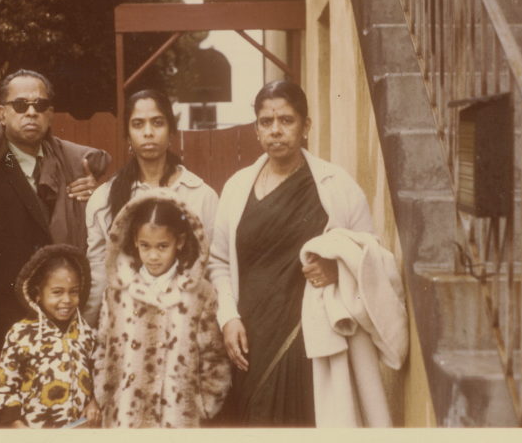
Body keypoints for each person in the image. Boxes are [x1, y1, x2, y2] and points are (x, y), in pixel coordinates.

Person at [207, 80, 408, 427]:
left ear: (305, 126)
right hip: (250, 335)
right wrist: (228, 318)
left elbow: (372, 253)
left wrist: (339, 268)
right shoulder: (237, 187)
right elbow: (219, 261)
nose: (276, 131)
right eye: (266, 122)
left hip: (310, 337)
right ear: (256, 128)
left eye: (286, 120)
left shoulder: (337, 185)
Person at [0, 69, 110, 425]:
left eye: (40, 105)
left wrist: (95, 198)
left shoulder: (72, 170)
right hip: (6, 341)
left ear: (51, 114)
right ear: (1, 113)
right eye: (20, 104)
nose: (31, 112)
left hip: (66, 336)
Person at [93, 189, 231, 427]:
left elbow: (213, 356)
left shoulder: (199, 294)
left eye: (162, 246)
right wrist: (103, 394)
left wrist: (204, 405)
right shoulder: (117, 292)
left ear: (180, 242)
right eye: (145, 246)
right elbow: (102, 348)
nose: (153, 256)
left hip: (177, 420)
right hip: (124, 418)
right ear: (134, 240)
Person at [85, 89, 217, 327]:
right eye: (138, 124)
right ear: (127, 134)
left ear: (171, 131)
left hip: (185, 330)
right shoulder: (104, 200)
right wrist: (87, 330)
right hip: (127, 333)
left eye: (157, 123)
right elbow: (99, 275)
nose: (148, 132)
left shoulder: (200, 195)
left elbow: (212, 269)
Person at [0, 244, 101, 428]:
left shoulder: (86, 333)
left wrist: (94, 402)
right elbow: (5, 386)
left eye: (73, 291)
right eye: (57, 292)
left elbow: (98, 375)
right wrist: (17, 425)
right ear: (37, 294)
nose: (66, 300)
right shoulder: (20, 334)